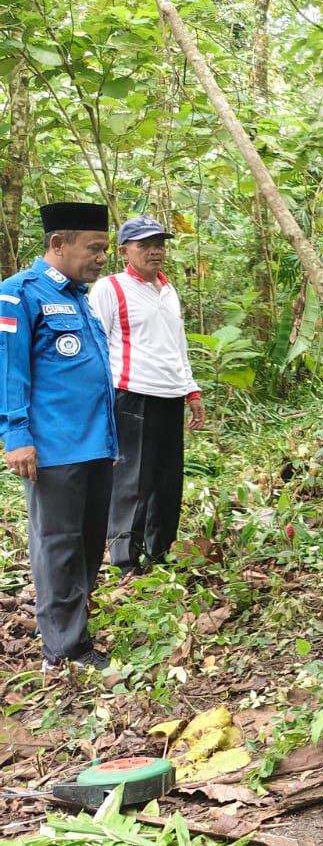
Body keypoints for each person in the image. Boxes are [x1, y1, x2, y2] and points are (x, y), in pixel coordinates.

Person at [1, 202, 117, 672]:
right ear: (57, 244)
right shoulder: (19, 294)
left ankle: (74, 627)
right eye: (94, 248)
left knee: (87, 543)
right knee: (58, 545)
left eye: (105, 249)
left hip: (96, 444)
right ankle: (64, 651)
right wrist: (15, 434)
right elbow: (9, 369)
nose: (102, 258)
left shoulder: (79, 298)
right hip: (54, 448)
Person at [88, 217, 205, 576]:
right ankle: (125, 563)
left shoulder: (168, 290)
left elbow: (177, 345)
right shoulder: (110, 288)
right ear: (124, 251)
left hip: (170, 394)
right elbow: (96, 345)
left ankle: (160, 554)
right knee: (133, 482)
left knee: (167, 482)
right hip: (131, 394)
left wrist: (191, 390)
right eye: (145, 245)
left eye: (159, 244)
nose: (155, 251)